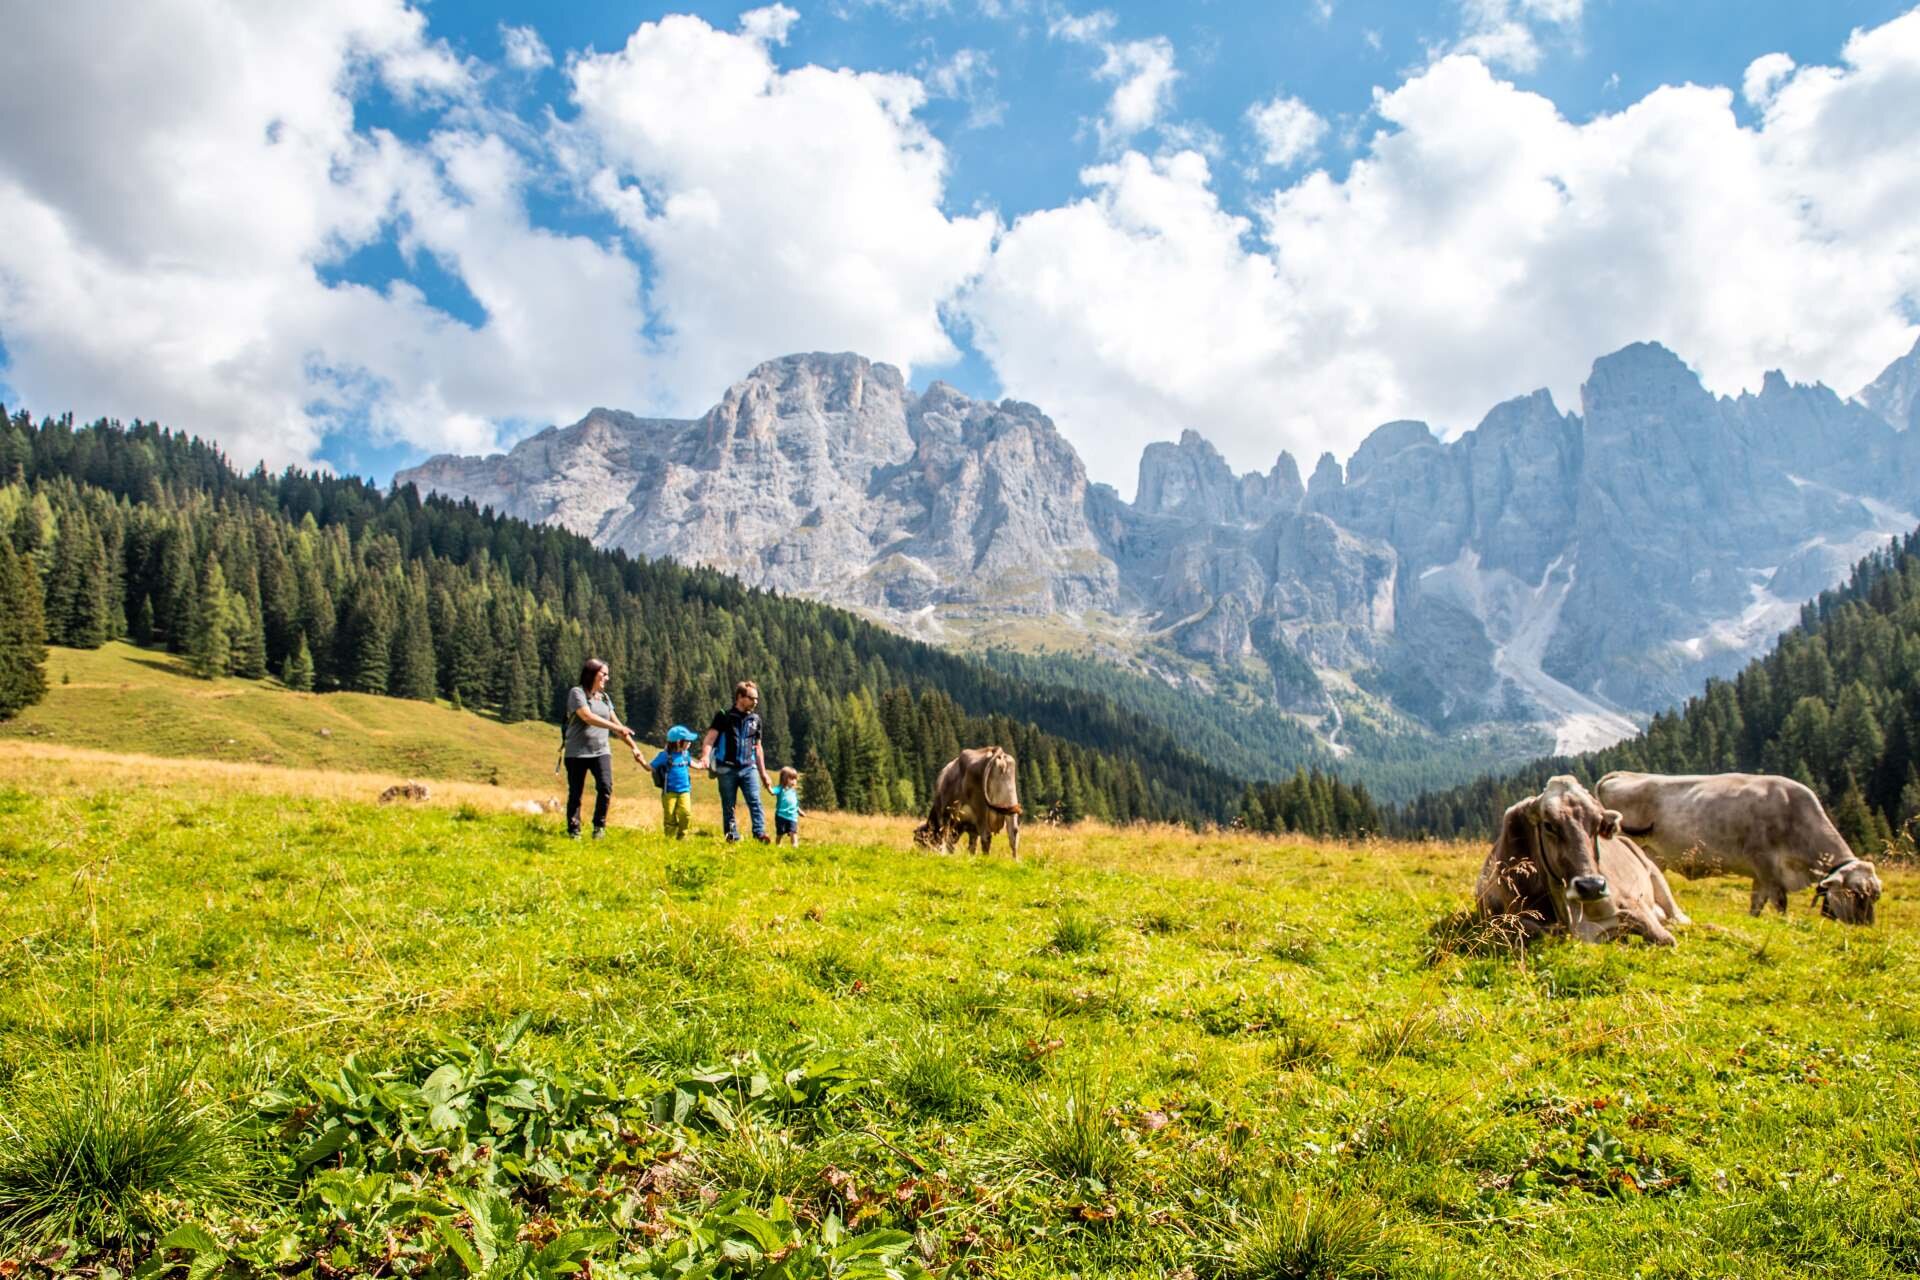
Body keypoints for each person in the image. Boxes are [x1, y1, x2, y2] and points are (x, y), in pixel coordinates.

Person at [563, 658, 641, 839]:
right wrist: (616, 728)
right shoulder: (577, 693)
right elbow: (587, 717)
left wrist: (634, 747)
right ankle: (574, 830)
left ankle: (599, 827)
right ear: (592, 674)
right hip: (577, 752)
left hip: (601, 751)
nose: (607, 677)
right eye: (604, 674)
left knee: (605, 787)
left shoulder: (605, 698)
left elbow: (618, 725)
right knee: (576, 792)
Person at [698, 680, 773, 843]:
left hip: (749, 768)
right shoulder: (724, 716)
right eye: (752, 698)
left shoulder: (756, 720)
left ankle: (760, 834)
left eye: (757, 699)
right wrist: (705, 757)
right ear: (740, 697)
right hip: (726, 768)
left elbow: (758, 747)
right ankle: (732, 836)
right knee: (729, 805)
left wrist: (764, 773)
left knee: (755, 801)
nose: (756, 702)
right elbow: (710, 739)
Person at [650, 725, 698, 840]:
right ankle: (670, 839)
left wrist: (703, 765)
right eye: (687, 741)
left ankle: (682, 836)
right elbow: (651, 767)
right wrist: (641, 760)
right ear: (678, 742)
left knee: (686, 813)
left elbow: (694, 764)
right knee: (670, 817)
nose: (690, 743)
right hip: (669, 792)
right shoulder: (665, 756)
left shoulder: (685, 755)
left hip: (684, 790)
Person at [768, 765, 803, 847]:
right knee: (780, 833)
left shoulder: (794, 791)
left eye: (795, 779)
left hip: (792, 817)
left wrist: (799, 811)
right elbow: (772, 792)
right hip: (781, 816)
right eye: (791, 779)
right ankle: (778, 844)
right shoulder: (780, 789)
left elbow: (795, 804)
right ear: (784, 779)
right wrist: (768, 786)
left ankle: (794, 846)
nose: (794, 781)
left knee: (793, 832)